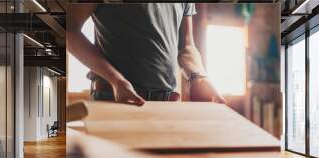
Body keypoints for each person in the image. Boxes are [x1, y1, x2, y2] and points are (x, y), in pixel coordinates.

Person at [67, 3, 225, 106]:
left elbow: (187, 46)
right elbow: (69, 31)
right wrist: (116, 80)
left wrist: (199, 77)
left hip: (167, 103)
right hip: (114, 99)